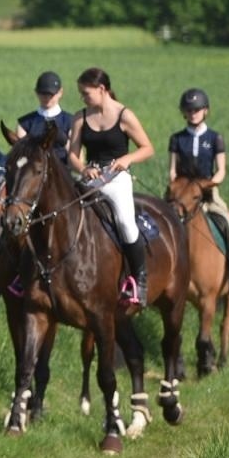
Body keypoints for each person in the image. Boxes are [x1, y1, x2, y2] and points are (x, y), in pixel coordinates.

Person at [0, 70, 73, 301]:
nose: (47, 97)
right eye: (43, 93)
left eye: (51, 93)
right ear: (36, 93)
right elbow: (19, 155)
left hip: (63, 182)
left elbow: (73, 153)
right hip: (32, 182)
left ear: (60, 93)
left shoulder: (70, 121)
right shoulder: (26, 121)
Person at [66, 67, 155, 307]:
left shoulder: (124, 115)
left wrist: (127, 159)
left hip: (117, 178)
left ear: (102, 89)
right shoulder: (79, 117)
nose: (83, 98)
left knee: (126, 222)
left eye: (86, 93)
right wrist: (83, 168)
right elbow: (72, 155)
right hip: (91, 177)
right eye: (81, 94)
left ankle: (140, 279)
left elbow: (147, 147)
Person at [169, 88, 229, 295]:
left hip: (207, 193)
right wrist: (176, 189)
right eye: (189, 110)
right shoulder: (177, 138)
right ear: (183, 112)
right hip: (181, 195)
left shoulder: (215, 138)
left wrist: (208, 185)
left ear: (205, 111)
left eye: (197, 109)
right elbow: (172, 170)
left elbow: (221, 171)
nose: (193, 113)